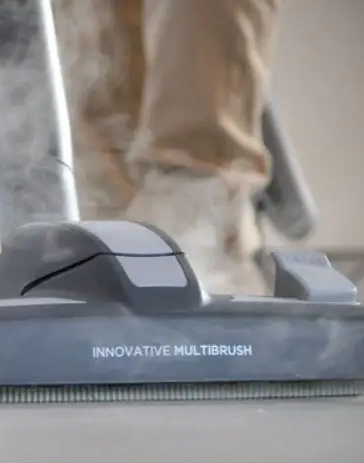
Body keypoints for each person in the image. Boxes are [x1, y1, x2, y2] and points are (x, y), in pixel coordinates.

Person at [54, 0, 281, 294]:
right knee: (96, 36)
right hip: (109, 201)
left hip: (197, 191)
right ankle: (111, 246)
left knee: (195, 17)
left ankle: (201, 220)